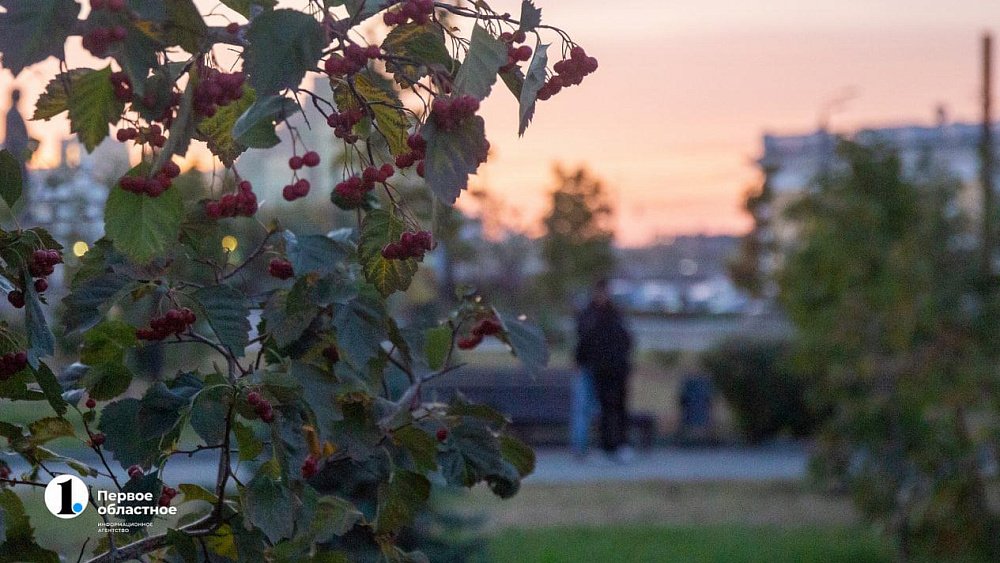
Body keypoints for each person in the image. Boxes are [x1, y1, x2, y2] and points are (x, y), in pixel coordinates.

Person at [574, 278, 634, 462]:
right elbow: (583, 341)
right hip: (599, 369)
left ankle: (619, 444)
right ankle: (606, 445)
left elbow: (626, 339)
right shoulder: (590, 315)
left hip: (616, 369)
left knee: (618, 407)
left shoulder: (614, 315)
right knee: (603, 408)